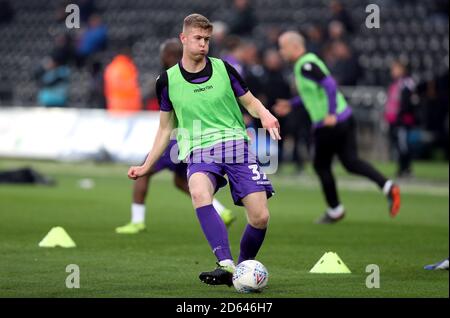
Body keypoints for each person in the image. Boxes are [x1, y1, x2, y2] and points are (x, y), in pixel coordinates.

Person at [127, 14, 280, 287]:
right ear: (184, 38)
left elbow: (250, 101)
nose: (203, 45)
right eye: (198, 38)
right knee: (198, 191)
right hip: (199, 149)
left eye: (207, 39)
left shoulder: (224, 69)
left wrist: (265, 115)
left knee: (260, 216)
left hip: (235, 145)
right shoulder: (167, 81)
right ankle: (225, 262)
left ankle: (240, 271)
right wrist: (147, 165)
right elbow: (164, 129)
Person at [275, 31, 400, 224]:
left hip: (330, 123)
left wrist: (331, 113)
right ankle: (388, 186)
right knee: (350, 162)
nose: (281, 52)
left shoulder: (306, 64)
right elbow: (313, 93)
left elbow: (330, 85)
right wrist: (292, 104)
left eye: (283, 47)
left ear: (295, 47)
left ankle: (335, 210)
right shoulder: (307, 63)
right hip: (344, 118)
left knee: (321, 165)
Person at [116, 38, 236, 234]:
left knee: (142, 173)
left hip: (174, 140)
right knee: (181, 181)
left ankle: (137, 222)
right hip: (193, 139)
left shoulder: (170, 79)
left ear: (169, 55)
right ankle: (221, 211)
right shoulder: (198, 74)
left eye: (163, 54)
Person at [385, 60, 416, 178]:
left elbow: (406, 103)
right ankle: (402, 168)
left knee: (403, 145)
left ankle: (406, 169)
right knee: (398, 145)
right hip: (394, 120)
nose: (392, 71)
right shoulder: (394, 84)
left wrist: (400, 116)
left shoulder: (406, 83)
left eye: (395, 69)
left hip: (403, 121)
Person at [103, 41, 142, 113]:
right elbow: (132, 86)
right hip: (130, 108)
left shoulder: (111, 67)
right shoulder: (129, 67)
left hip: (114, 108)